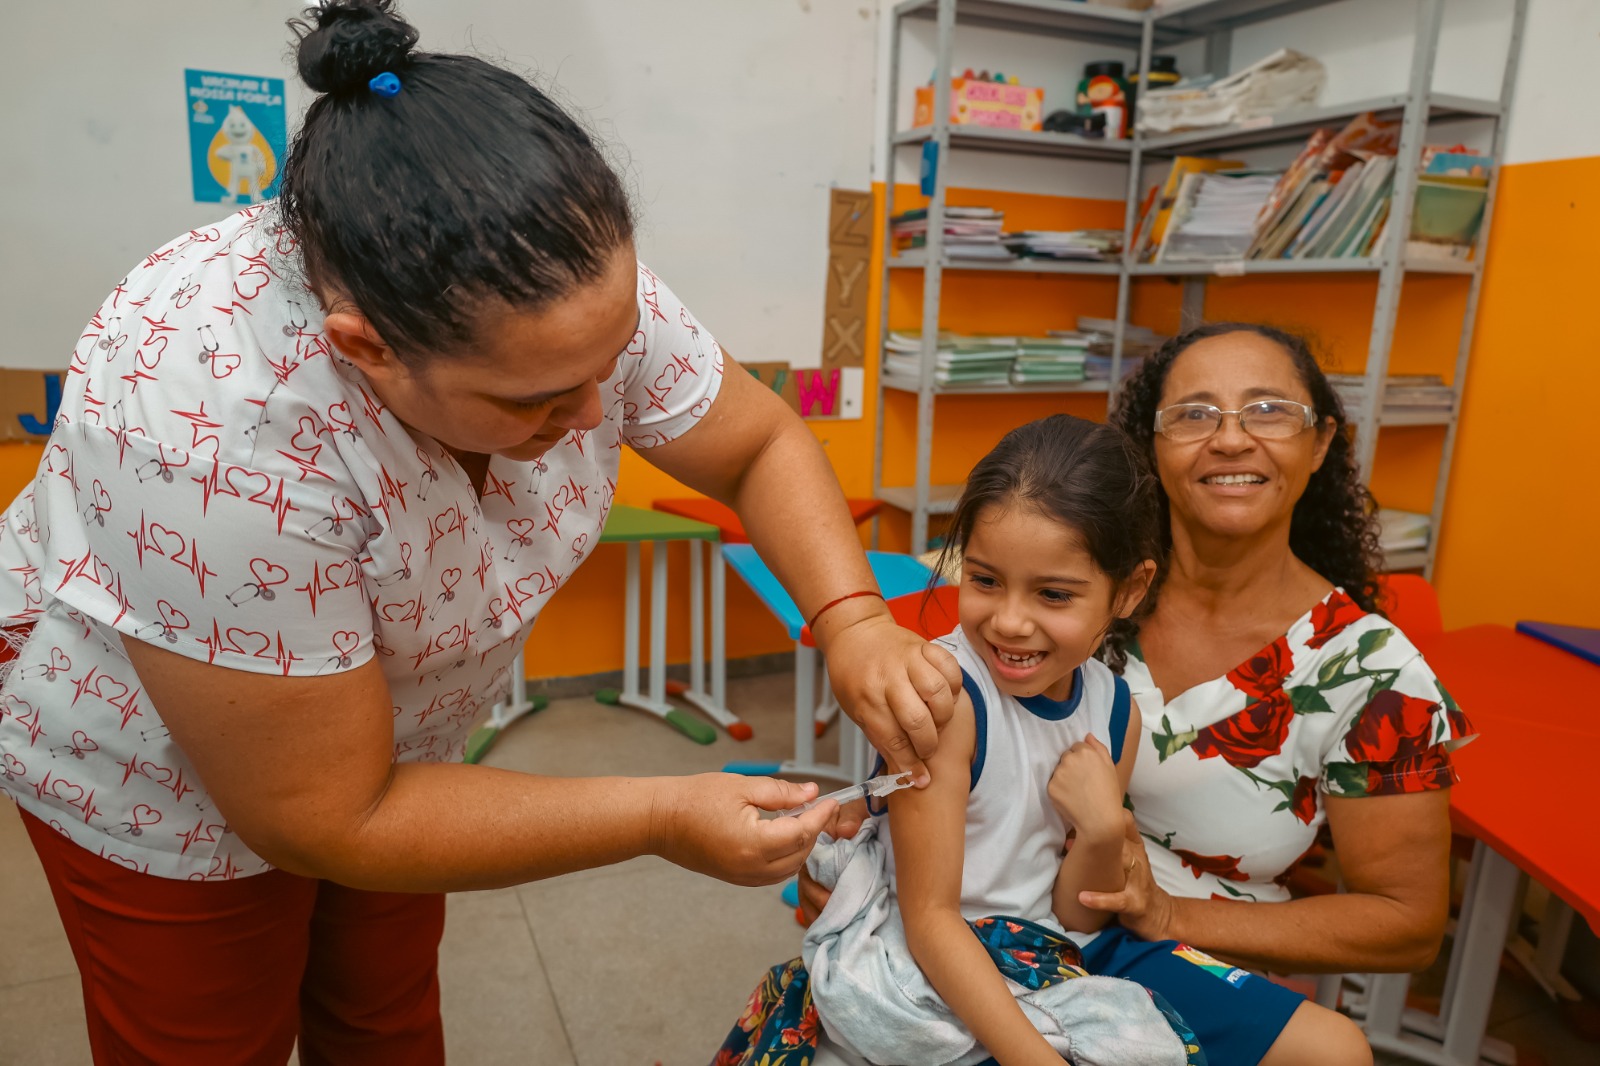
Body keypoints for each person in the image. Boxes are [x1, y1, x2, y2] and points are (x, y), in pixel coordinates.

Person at [0, 3, 960, 1061]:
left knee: (384, 1013)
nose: (598, 416)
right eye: (541, 400)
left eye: (612, 362)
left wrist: (854, 616)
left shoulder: (552, 282)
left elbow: (754, 444)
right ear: (366, 350)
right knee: (210, 1037)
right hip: (160, 774)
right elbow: (328, 815)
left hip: (396, 753)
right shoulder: (208, 430)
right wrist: (657, 817)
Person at [799, 322, 1471, 1066]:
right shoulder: (1063, 584)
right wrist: (871, 833)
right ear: (1148, 447)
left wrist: (1157, 898)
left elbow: (1407, 922)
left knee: (1335, 1052)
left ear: (1320, 444)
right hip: (1013, 917)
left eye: (1268, 409)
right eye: (1195, 413)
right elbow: (943, 647)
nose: (1230, 438)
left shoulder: (1374, 674)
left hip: (1158, 935)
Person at [717, 415, 1209, 1066]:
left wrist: (1101, 831)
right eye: (982, 580)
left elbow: (1078, 914)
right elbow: (930, 919)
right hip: (922, 960)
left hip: (1035, 954)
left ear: (1131, 589)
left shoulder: (1116, 711)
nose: (1008, 621)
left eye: (1054, 594)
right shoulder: (949, 702)